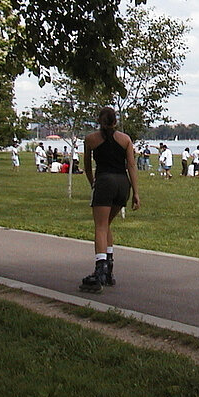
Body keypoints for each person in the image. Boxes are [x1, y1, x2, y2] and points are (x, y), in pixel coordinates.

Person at [79, 106, 140, 292]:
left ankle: (100, 272)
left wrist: (93, 183)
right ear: (116, 121)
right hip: (123, 185)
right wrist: (136, 192)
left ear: (99, 121)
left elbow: (88, 167)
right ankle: (109, 267)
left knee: (100, 226)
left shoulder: (90, 139)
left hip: (105, 182)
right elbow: (131, 165)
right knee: (107, 225)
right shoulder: (126, 140)